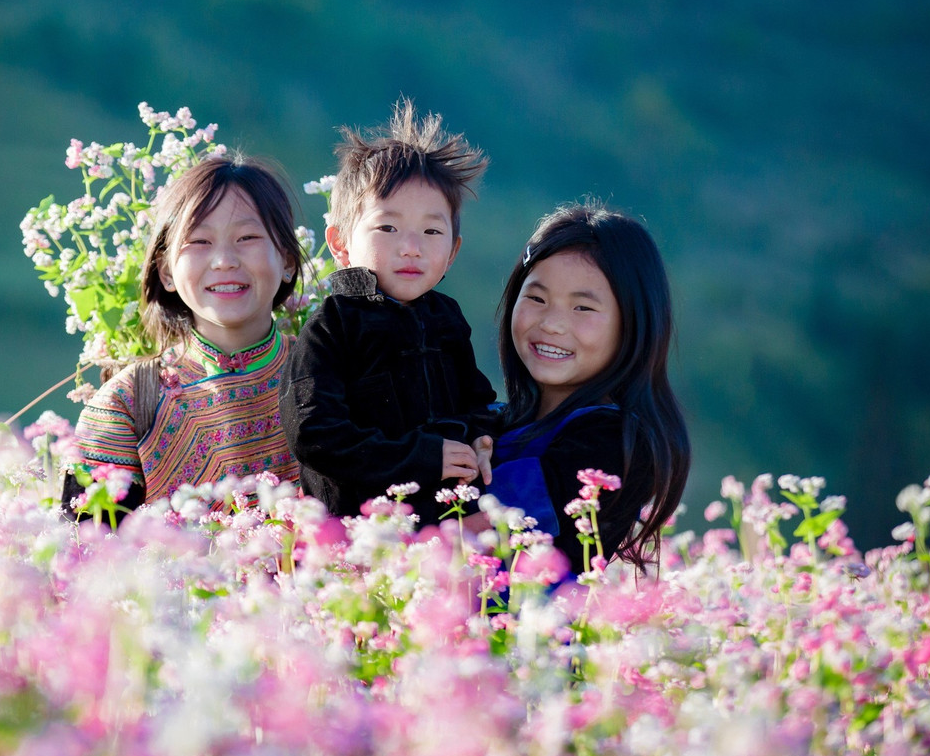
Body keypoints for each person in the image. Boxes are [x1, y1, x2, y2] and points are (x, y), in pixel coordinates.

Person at [279, 100, 498, 525]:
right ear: (340, 243)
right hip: (358, 533)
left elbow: (477, 402)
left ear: (452, 252)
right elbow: (314, 433)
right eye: (388, 227)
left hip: (446, 524)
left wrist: (482, 438)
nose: (411, 247)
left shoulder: (446, 319)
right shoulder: (333, 326)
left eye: (432, 231)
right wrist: (421, 457)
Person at [63, 154, 305, 517]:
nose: (224, 260)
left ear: (286, 261)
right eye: (199, 242)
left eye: (247, 237)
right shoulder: (125, 405)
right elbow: (88, 552)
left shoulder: (331, 376)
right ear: (166, 272)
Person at [488, 202, 690, 571]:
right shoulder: (493, 418)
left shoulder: (613, 443)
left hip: (521, 628)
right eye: (536, 298)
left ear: (633, 323)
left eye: (582, 308)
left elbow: (478, 526)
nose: (552, 324)